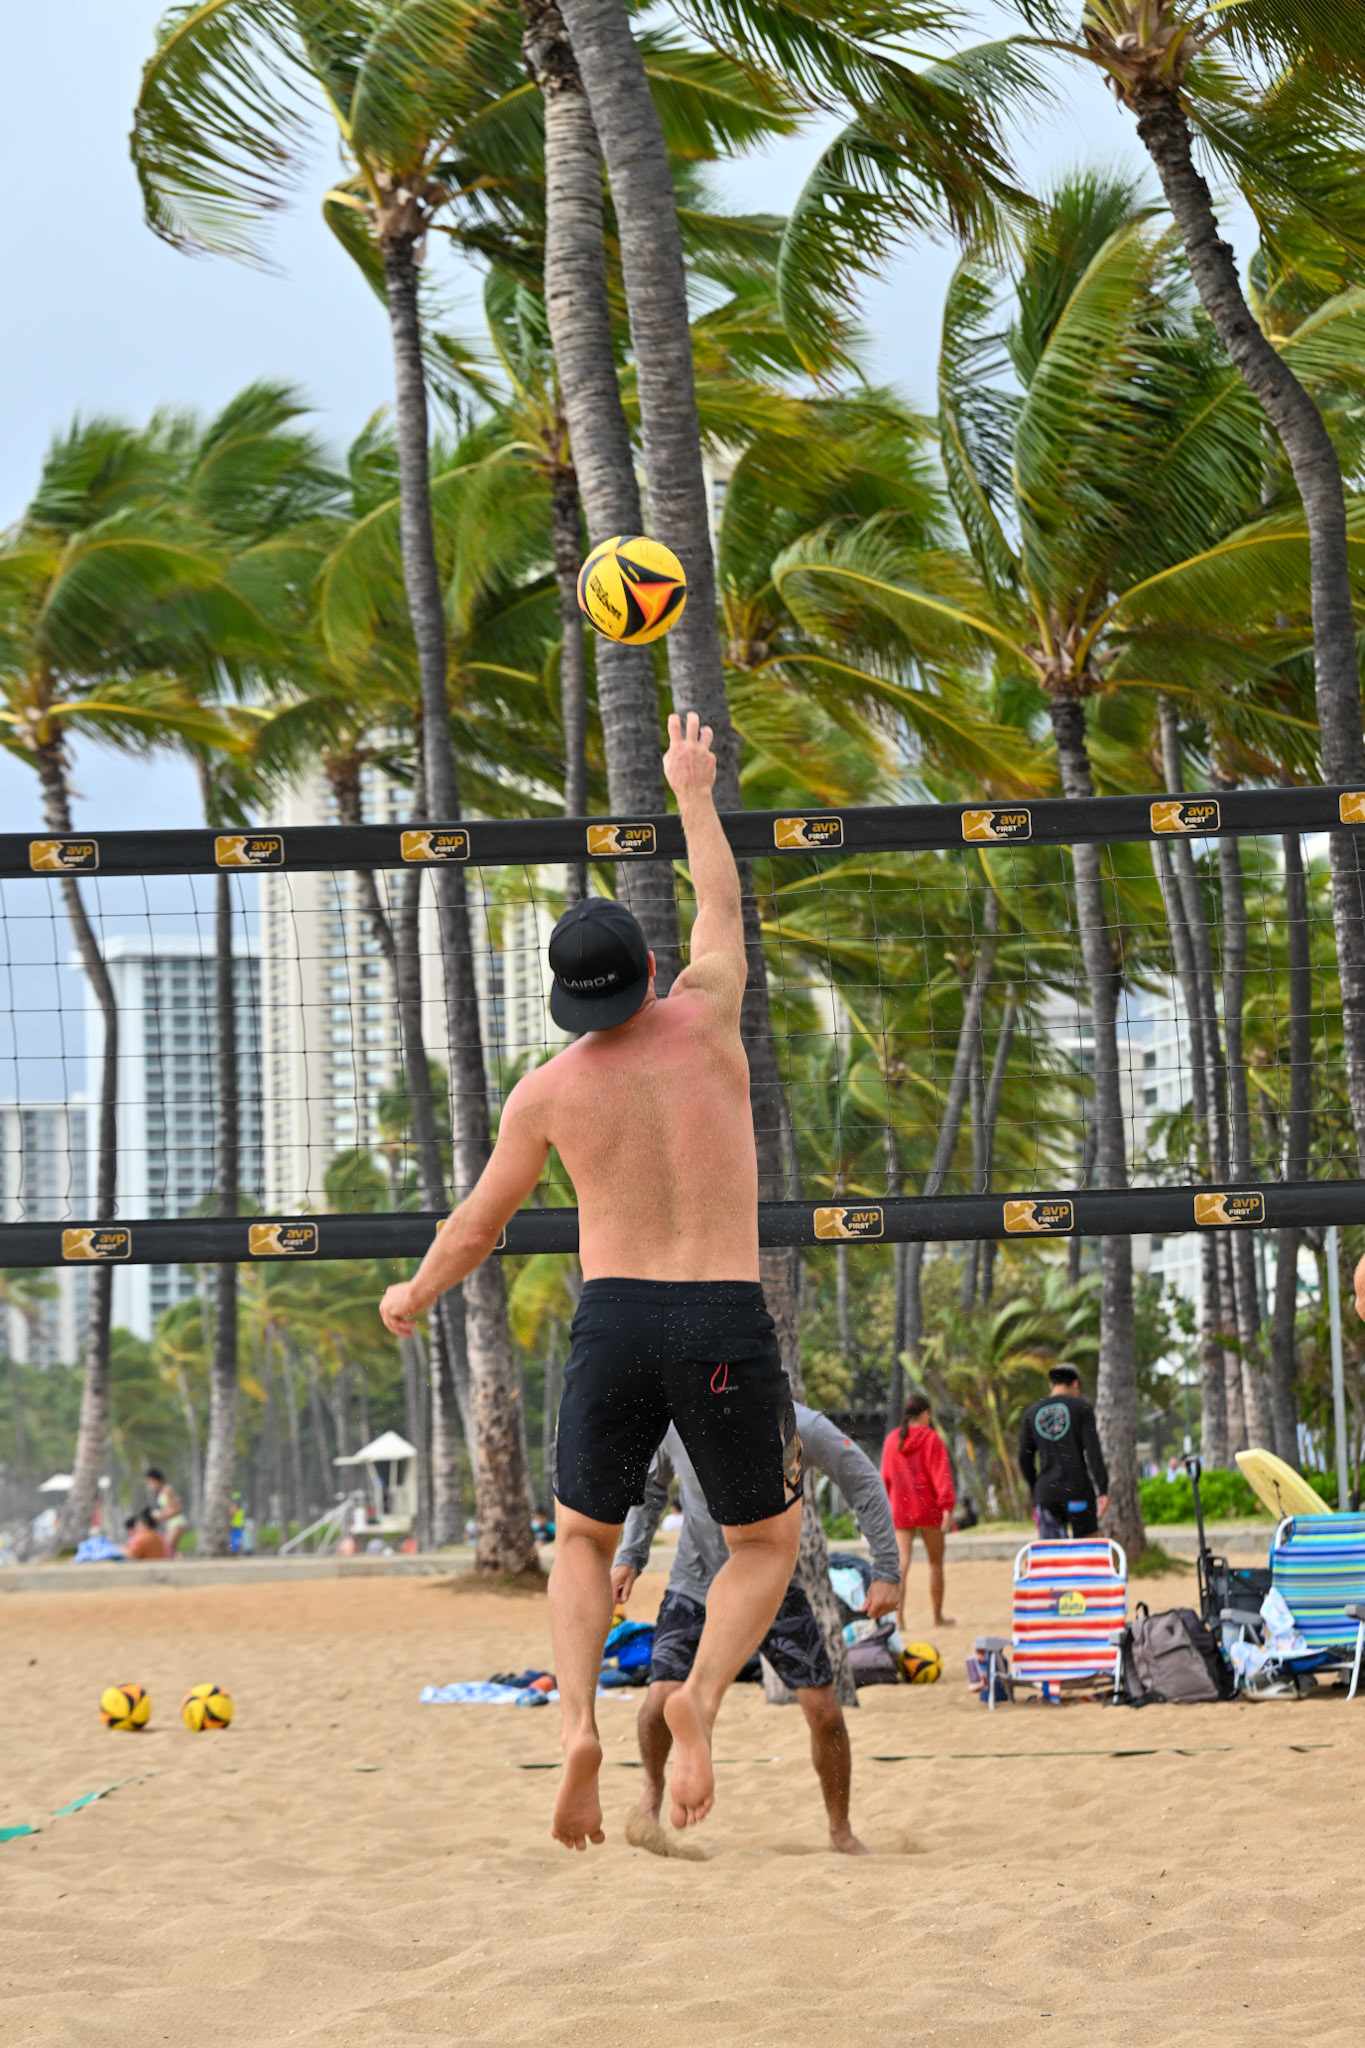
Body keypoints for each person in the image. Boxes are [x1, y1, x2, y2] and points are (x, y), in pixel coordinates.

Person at [379, 713, 803, 1852]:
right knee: (765, 1543)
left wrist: (415, 1293)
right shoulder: (709, 1019)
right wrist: (692, 788)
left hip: (614, 1320)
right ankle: (700, 1699)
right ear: (652, 972)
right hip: (721, 1312)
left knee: (580, 1538)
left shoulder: (548, 1092)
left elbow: (478, 1223)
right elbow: (720, 895)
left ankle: (577, 1724)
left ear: (572, 1003)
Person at [613, 1405, 901, 1857]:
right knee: (660, 1697)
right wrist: (630, 1555)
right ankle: (651, 1790)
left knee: (825, 1713)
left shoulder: (797, 1424)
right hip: (696, 1582)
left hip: (772, 1586)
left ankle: (840, 1831)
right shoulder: (677, 1421)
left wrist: (886, 1568)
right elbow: (651, 1487)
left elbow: (861, 1479)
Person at [880, 1393, 956, 1630]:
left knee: (902, 1564)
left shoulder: (893, 1440)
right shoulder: (932, 1439)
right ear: (925, 1414)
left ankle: (899, 1620)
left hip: (901, 1509)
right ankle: (937, 1617)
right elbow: (940, 1475)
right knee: (935, 1563)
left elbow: (884, 1478)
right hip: (928, 1509)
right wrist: (947, 1506)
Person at [1018, 1366, 1110, 1538]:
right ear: (1075, 1384)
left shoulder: (1031, 1413)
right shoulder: (1081, 1408)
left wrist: (1035, 1489)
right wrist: (1103, 1488)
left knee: (1052, 1554)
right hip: (1078, 1493)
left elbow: (1024, 1458)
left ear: (1051, 1385)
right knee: (1087, 1548)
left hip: (1047, 1495)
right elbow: (1093, 1452)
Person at [144, 1467, 188, 1556]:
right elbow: (167, 1508)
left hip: (177, 1522)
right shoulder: (162, 1491)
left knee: (169, 1547)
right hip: (171, 1523)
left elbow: (178, 1508)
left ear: (156, 1480)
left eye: (150, 1482)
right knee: (170, 1549)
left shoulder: (168, 1490)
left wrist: (162, 1516)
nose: (150, 1485)